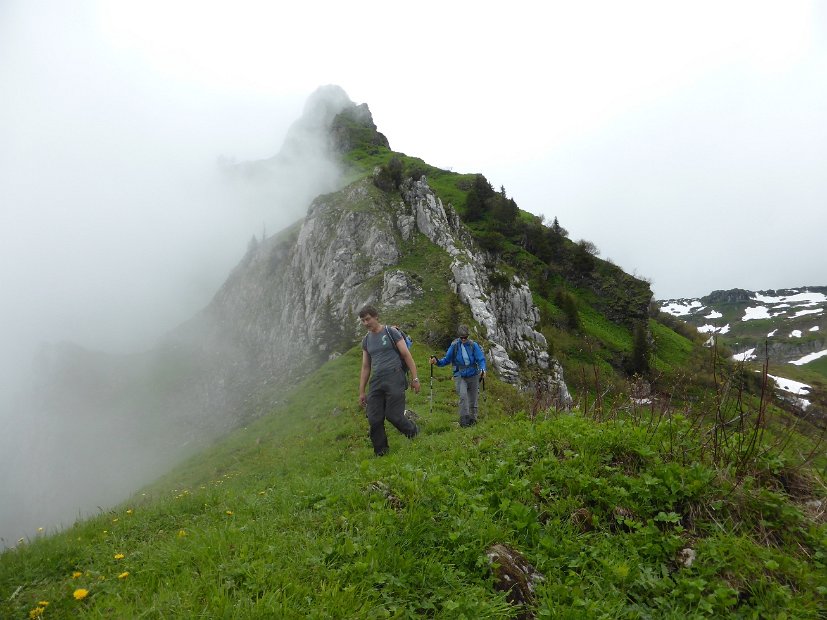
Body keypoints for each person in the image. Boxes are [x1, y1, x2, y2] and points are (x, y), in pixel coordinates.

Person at [358, 305, 421, 456]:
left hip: (395, 376)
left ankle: (413, 432)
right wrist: (361, 391)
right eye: (363, 321)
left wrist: (415, 378)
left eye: (368, 319)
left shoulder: (391, 332)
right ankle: (381, 452)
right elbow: (366, 366)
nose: (366, 323)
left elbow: (406, 355)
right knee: (374, 418)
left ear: (376, 317)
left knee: (393, 415)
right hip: (376, 381)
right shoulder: (366, 340)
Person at [430, 325, 486, 427]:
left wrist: (483, 369)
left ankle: (473, 420)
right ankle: (464, 421)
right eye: (462, 337)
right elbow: (446, 360)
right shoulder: (454, 346)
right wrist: (436, 362)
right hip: (460, 375)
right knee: (463, 396)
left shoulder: (473, 345)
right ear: (459, 337)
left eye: (465, 337)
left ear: (468, 336)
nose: (464, 339)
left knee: (473, 398)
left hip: (473, 375)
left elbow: (481, 359)